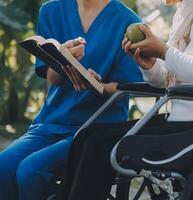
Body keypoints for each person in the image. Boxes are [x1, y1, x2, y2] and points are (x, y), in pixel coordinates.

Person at [59, 0, 193, 199]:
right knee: (86, 137)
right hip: (185, 121)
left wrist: (163, 51)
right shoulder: (188, 11)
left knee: (98, 144)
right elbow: (169, 79)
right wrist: (149, 64)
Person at [0, 0, 143, 199]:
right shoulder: (51, 11)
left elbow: (127, 87)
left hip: (96, 127)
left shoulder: (128, 22)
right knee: (3, 167)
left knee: (31, 171)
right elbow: (52, 78)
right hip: (51, 122)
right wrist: (63, 59)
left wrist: (97, 87)